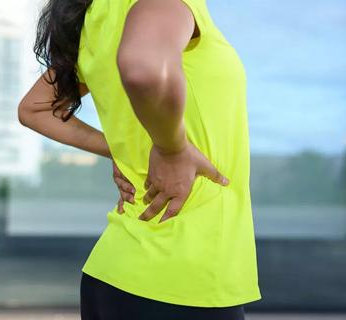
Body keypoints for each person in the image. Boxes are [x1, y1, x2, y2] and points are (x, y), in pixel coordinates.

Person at [18, 0, 261, 318]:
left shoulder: (97, 18)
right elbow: (141, 67)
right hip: (182, 278)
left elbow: (33, 109)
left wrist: (120, 148)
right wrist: (171, 150)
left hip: (114, 273)